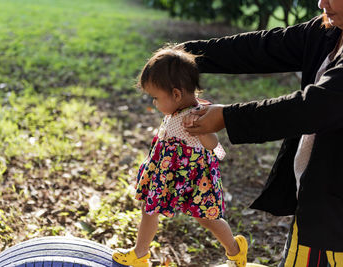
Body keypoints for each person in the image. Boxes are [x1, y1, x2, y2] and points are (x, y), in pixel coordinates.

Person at [180, 0, 343, 266]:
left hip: (333, 217)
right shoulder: (328, 31)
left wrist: (226, 117)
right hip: (318, 199)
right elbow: (261, 47)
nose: (321, 2)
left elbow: (313, 107)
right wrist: (183, 55)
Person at [112, 47, 248, 267]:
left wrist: (203, 131)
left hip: (193, 176)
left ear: (176, 94)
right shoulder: (176, 109)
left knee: (206, 218)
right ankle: (139, 254)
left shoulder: (196, 116)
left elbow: (217, 149)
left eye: (156, 98)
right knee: (149, 207)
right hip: (168, 171)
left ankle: (235, 250)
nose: (154, 103)